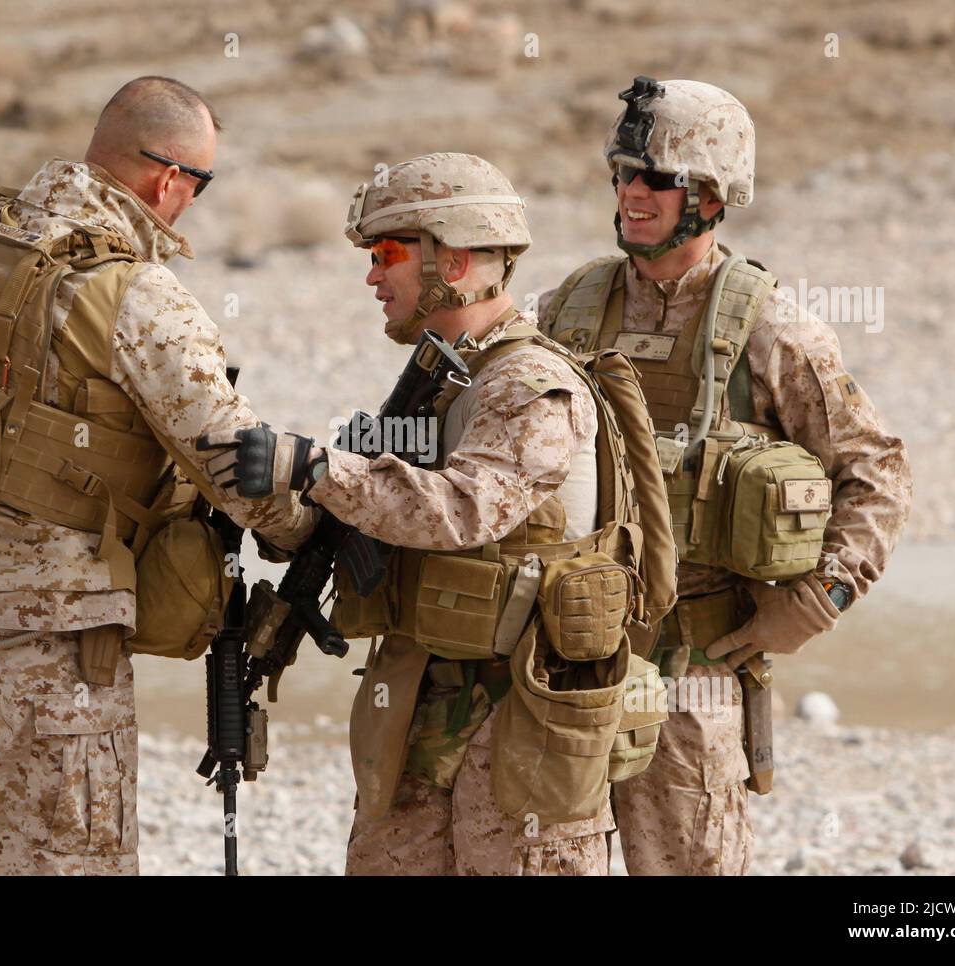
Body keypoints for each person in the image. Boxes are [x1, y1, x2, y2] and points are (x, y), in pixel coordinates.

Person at [0, 76, 312, 875]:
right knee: (73, 861)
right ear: (170, 180)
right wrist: (308, 528)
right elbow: (236, 465)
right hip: (57, 636)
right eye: (200, 184)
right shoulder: (133, 294)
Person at [201, 153, 676, 875]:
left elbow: (464, 509)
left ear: (453, 262)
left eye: (388, 254)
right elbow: (383, 512)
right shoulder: (448, 380)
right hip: (428, 707)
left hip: (524, 720)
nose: (371, 275)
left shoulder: (529, 383)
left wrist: (316, 466)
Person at [537, 77, 912, 875]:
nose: (633, 193)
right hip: (564, 658)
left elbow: (875, 470)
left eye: (658, 180)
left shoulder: (771, 327)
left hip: (695, 671)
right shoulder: (568, 307)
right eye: (623, 173)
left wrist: (820, 599)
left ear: (712, 195)